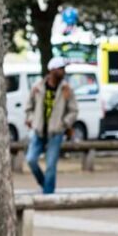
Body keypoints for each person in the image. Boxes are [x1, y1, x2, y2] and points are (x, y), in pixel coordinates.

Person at [24, 56, 78, 194]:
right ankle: (45, 183)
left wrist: (64, 124)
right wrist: (31, 119)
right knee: (31, 160)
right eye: (61, 69)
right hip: (39, 130)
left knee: (50, 165)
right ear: (52, 70)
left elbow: (73, 110)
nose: (63, 72)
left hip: (56, 132)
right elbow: (28, 107)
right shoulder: (38, 87)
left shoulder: (67, 89)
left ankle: (48, 195)